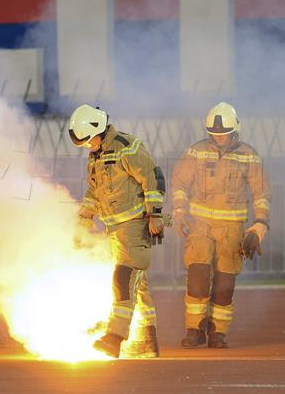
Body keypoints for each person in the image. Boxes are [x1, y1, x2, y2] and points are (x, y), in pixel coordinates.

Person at [171, 102, 271, 349]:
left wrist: (259, 226)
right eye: (214, 133)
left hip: (232, 229)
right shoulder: (196, 152)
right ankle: (194, 330)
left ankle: (218, 332)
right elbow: (179, 184)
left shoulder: (249, 155)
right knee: (197, 278)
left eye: (223, 134)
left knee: (225, 284)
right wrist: (180, 212)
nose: (218, 138)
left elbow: (261, 193)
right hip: (200, 227)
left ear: (235, 129)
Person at [69, 104, 165, 358]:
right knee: (138, 285)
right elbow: (95, 190)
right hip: (117, 230)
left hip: (135, 225)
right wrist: (85, 218)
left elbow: (152, 177)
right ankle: (147, 340)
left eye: (88, 141)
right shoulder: (97, 154)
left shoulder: (126, 147)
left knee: (123, 278)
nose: (87, 146)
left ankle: (114, 338)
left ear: (98, 130)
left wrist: (155, 214)